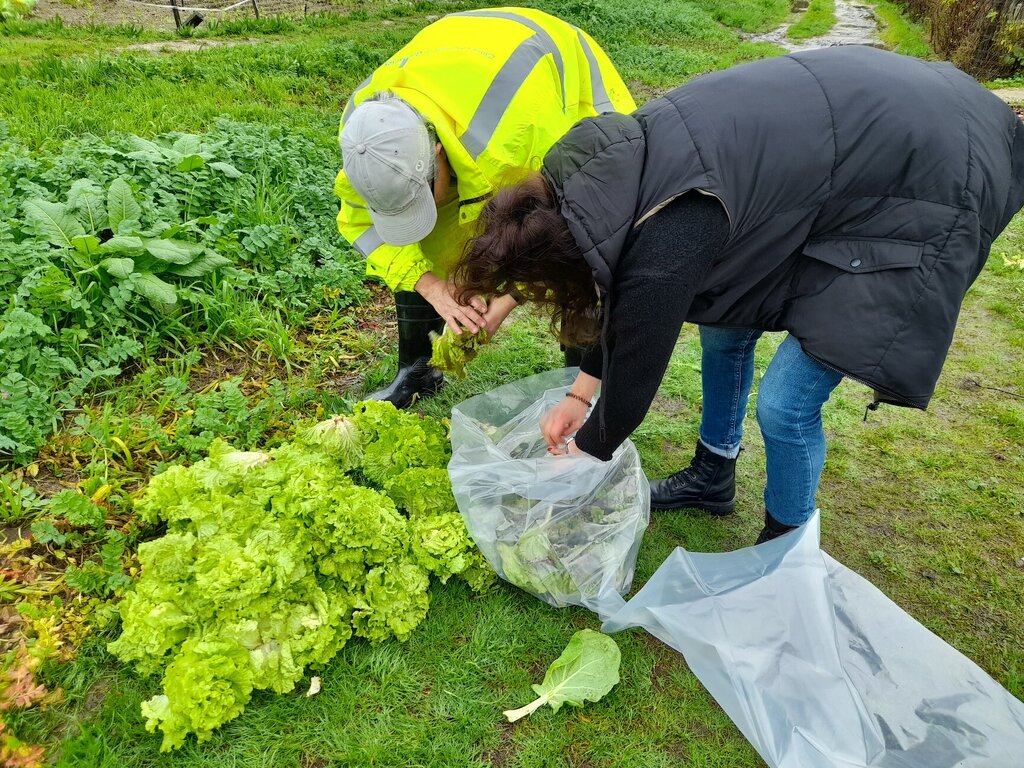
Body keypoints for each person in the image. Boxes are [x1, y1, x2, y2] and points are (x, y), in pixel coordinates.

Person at [453, 45, 1024, 545]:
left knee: (786, 405)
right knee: (725, 324)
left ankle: (785, 545)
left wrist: (588, 448)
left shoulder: (667, 234)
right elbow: (625, 304)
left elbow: (639, 350)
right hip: (861, 129)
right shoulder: (597, 175)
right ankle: (713, 473)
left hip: (936, 167)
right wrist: (579, 397)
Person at [334, 8, 636, 408]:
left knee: (586, 245)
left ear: (438, 154)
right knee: (426, 240)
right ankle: (419, 369)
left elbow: (557, 225)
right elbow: (361, 224)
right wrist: (435, 287)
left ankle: (579, 384)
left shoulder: (514, 141)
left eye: (422, 197)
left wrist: (506, 298)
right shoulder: (366, 137)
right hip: (460, 65)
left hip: (556, 76)